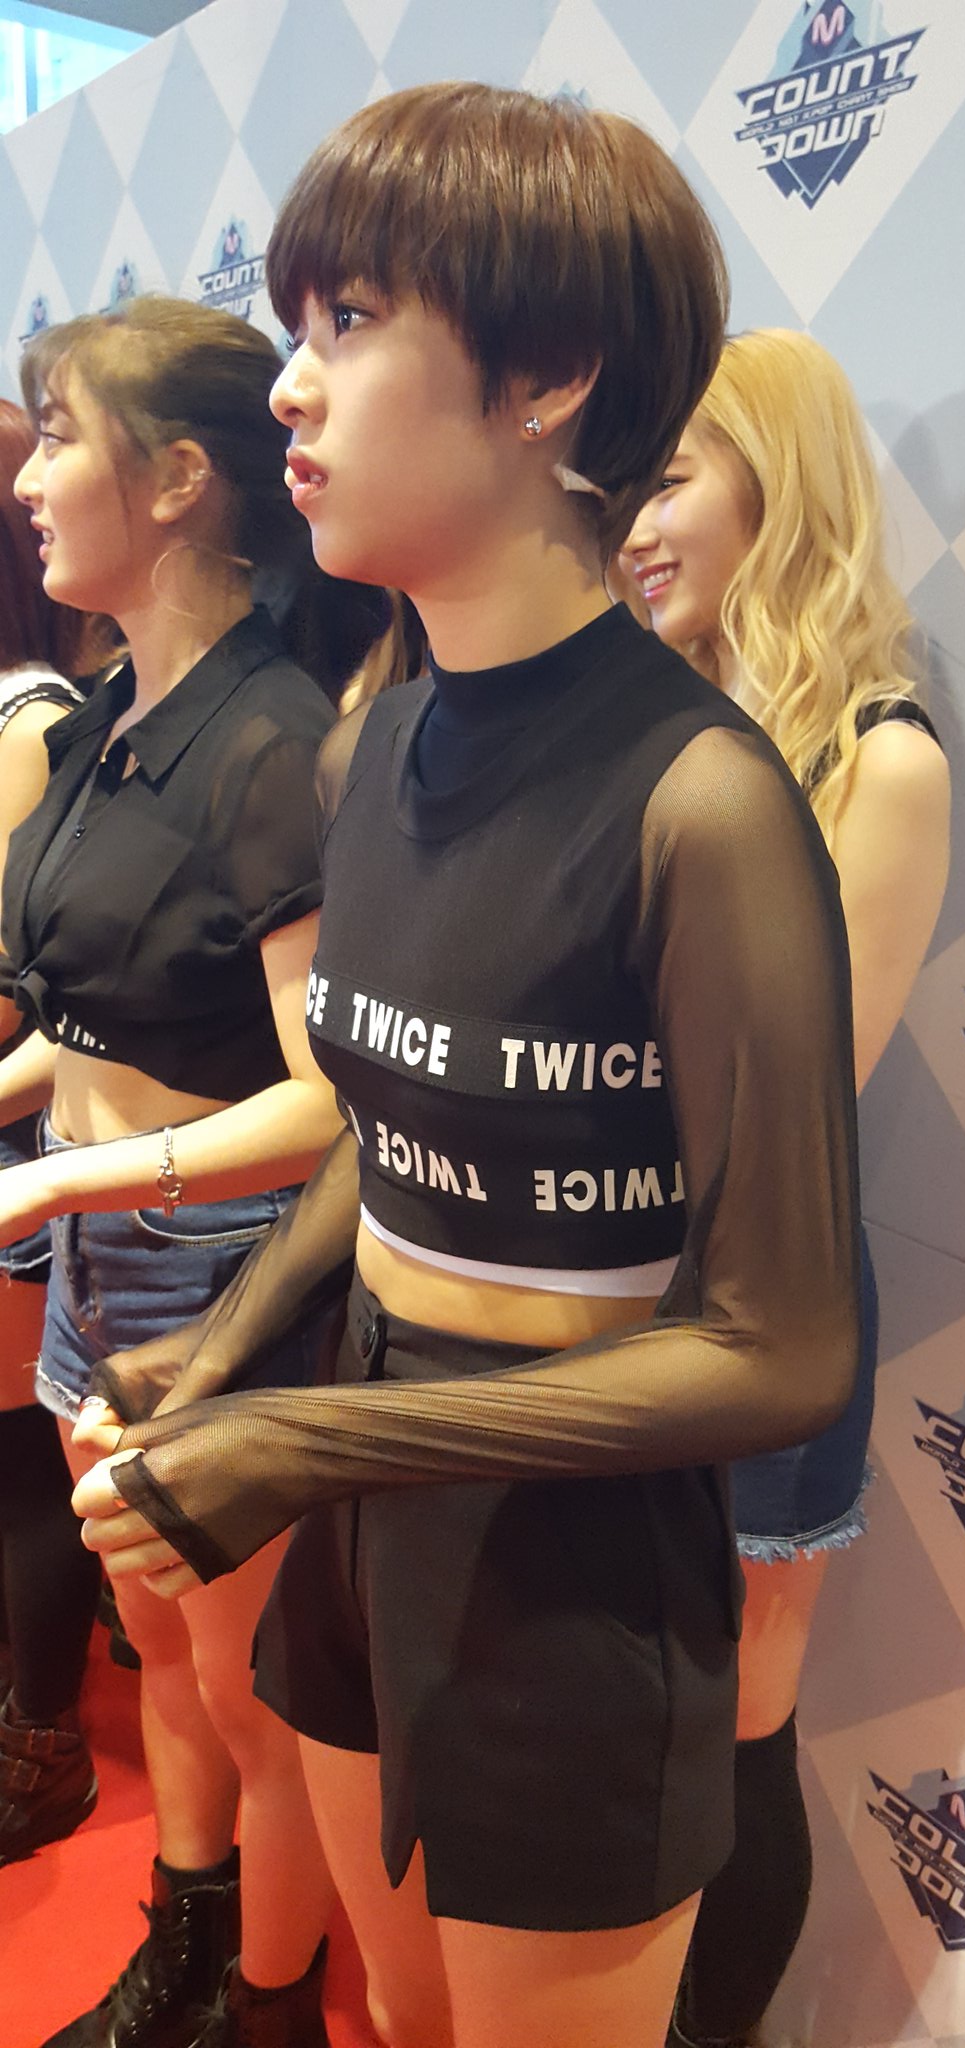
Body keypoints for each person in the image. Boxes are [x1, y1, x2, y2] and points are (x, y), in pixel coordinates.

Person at [71, 87, 863, 2048]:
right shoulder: (373, 749)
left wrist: (304, 1443)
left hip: (574, 1587)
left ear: (548, 377)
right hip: (365, 1520)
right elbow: (399, 1123)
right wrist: (232, 1347)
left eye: (352, 323)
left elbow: (780, 1350)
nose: (293, 384)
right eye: (299, 325)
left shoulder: (700, 805)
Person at [0, 299, 344, 2048]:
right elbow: (91, 1019)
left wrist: (67, 1184)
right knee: (166, 1661)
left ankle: (260, 2000)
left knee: (242, 1683)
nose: (30, 478)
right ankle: (182, 1959)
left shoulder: (272, 741)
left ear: (182, 479)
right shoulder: (109, 716)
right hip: (97, 1255)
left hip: (218, 1274)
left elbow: (329, 1102)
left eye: (61, 435)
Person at [619, 326, 951, 2047]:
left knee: (738, 1721)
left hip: (758, 1309)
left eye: (668, 479)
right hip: (598, 1297)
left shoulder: (880, 760)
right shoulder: (645, 724)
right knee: (621, 1717)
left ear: (782, 486)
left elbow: (805, 1099)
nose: (629, 526)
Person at [0, 399, 114, 1861]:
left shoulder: (28, 718)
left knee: (21, 1450)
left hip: (36, 1147)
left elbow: (30, 987)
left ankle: (45, 1741)